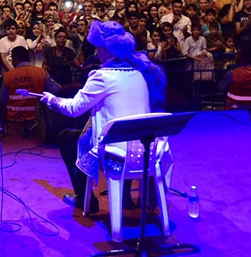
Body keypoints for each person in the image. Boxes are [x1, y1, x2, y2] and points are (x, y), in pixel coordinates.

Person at [39, 20, 166, 211]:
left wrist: (51, 99)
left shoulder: (102, 76)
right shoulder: (140, 73)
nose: (96, 52)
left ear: (107, 50)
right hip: (145, 150)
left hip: (116, 152)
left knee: (67, 138)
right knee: (122, 131)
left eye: (99, 48)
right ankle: (124, 197)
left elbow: (73, 109)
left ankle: (84, 199)